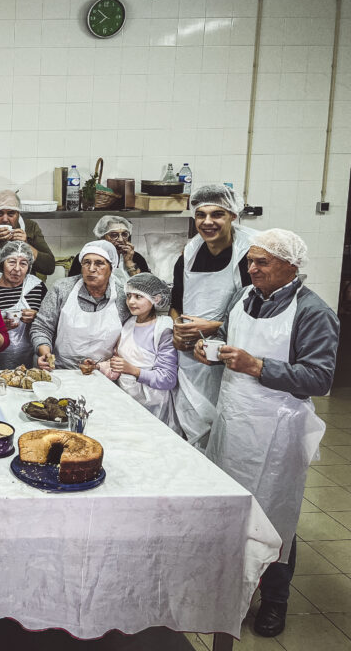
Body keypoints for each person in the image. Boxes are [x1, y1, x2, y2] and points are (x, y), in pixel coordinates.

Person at [196, 229, 335, 638]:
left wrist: (258, 366)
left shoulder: (313, 312)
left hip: (277, 430)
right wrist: (211, 349)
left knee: (274, 518)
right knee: (230, 507)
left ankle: (275, 599)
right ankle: (229, 585)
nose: (252, 269)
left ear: (290, 266)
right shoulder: (244, 297)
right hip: (234, 422)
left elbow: (320, 377)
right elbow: (230, 340)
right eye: (250, 262)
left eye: (262, 262)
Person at [171, 185, 255, 448]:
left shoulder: (250, 258)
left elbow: (257, 314)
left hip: (232, 356)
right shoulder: (188, 255)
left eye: (217, 214)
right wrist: (177, 328)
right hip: (190, 359)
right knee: (190, 429)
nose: (207, 222)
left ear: (233, 216)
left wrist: (214, 327)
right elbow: (176, 303)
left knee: (225, 432)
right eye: (201, 215)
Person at [99, 273, 180, 433]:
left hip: (153, 406)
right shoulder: (128, 324)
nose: (131, 301)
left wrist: (133, 370)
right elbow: (119, 364)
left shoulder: (163, 328)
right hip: (125, 401)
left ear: (156, 299)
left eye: (138, 296)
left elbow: (168, 379)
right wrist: (98, 367)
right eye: (129, 296)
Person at [31, 240, 128, 371]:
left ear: (111, 268)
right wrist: (45, 352)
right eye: (86, 262)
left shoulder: (123, 297)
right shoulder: (62, 288)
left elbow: (130, 337)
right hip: (61, 370)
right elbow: (42, 327)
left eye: (99, 263)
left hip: (103, 373)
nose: (91, 269)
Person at [0, 241, 48, 369]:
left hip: (32, 359)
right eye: (11, 262)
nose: (17, 269)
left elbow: (50, 322)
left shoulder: (37, 287)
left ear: (29, 266)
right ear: (2, 263)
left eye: (23, 263)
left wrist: (37, 317)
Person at [68, 215, 150, 280]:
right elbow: (71, 285)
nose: (121, 239)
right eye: (114, 235)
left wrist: (129, 263)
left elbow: (147, 287)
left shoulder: (136, 258)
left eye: (124, 234)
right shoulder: (86, 257)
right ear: (102, 237)